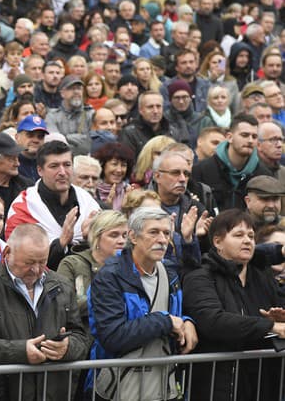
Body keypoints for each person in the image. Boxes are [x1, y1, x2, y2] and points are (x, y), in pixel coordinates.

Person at [0, 224, 90, 401]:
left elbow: (82, 336)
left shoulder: (62, 286)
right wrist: (20, 351)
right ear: (7, 253)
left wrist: (67, 347)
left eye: (42, 262)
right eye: (28, 262)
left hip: (54, 392)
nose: (36, 270)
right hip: (3, 392)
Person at [88, 207, 198, 401]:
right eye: (154, 232)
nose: (162, 240)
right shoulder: (110, 276)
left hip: (163, 386)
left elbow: (176, 314)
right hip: (119, 388)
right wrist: (165, 321)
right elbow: (113, 335)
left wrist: (187, 322)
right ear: (133, 236)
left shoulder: (170, 273)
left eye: (166, 233)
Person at [183, 209, 285, 401]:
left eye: (251, 236)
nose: (247, 240)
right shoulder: (199, 277)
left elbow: (273, 328)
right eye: (238, 235)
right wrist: (271, 326)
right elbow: (213, 321)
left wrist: (279, 320)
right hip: (219, 385)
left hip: (263, 384)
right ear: (217, 242)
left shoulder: (263, 276)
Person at [6, 141, 102, 268]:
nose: (62, 172)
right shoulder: (23, 206)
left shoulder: (88, 203)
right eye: (54, 166)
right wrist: (61, 243)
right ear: (40, 170)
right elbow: (19, 262)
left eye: (67, 165)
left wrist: (89, 238)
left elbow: (106, 254)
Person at [56, 210, 127, 327]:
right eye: (114, 235)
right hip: (82, 336)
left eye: (125, 235)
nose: (122, 241)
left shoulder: (129, 266)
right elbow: (62, 307)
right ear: (96, 237)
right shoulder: (72, 264)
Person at [193, 113, 273, 210]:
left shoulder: (263, 174)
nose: (250, 140)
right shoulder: (201, 170)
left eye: (254, 136)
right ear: (229, 137)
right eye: (244, 135)